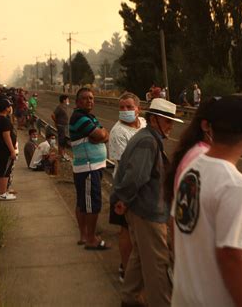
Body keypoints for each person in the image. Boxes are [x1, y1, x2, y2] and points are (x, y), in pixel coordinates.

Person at [171, 95, 242, 307]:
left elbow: (174, 225)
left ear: (211, 128)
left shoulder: (190, 169)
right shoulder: (234, 184)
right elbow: (230, 256)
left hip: (185, 298)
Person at [112, 98, 183, 307]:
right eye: (166, 121)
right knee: (158, 265)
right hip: (148, 212)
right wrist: (123, 199)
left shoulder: (147, 138)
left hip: (142, 210)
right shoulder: (148, 141)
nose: (170, 126)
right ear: (153, 120)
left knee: (139, 258)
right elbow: (136, 177)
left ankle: (130, 299)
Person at [108, 92, 147, 283]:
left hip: (145, 183)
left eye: (129, 107)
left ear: (138, 109)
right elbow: (125, 165)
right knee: (125, 230)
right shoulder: (118, 132)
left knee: (139, 230)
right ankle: (125, 268)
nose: (124, 111)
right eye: (121, 107)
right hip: (124, 186)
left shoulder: (145, 124)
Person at [69, 87, 109, 250]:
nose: (89, 101)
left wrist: (100, 135)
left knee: (83, 202)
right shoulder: (79, 117)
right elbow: (100, 135)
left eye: (91, 98)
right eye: (85, 98)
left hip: (91, 167)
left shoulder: (89, 117)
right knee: (91, 203)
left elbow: (104, 134)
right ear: (77, 102)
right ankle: (91, 239)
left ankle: (84, 236)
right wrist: (100, 135)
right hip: (88, 168)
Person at [0, 98, 17, 201]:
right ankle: (3, 193)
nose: (10, 108)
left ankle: (1, 191)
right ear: (6, 108)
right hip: (5, 150)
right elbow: (6, 136)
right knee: (5, 171)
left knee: (1, 170)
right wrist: (12, 151)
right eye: (9, 106)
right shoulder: (5, 120)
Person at [51, 94, 71, 162]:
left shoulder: (65, 107)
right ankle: (61, 156)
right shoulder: (60, 107)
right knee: (61, 141)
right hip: (61, 126)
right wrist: (56, 122)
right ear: (64, 100)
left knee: (64, 141)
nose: (68, 101)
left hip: (65, 126)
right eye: (67, 99)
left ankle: (63, 155)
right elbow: (53, 115)